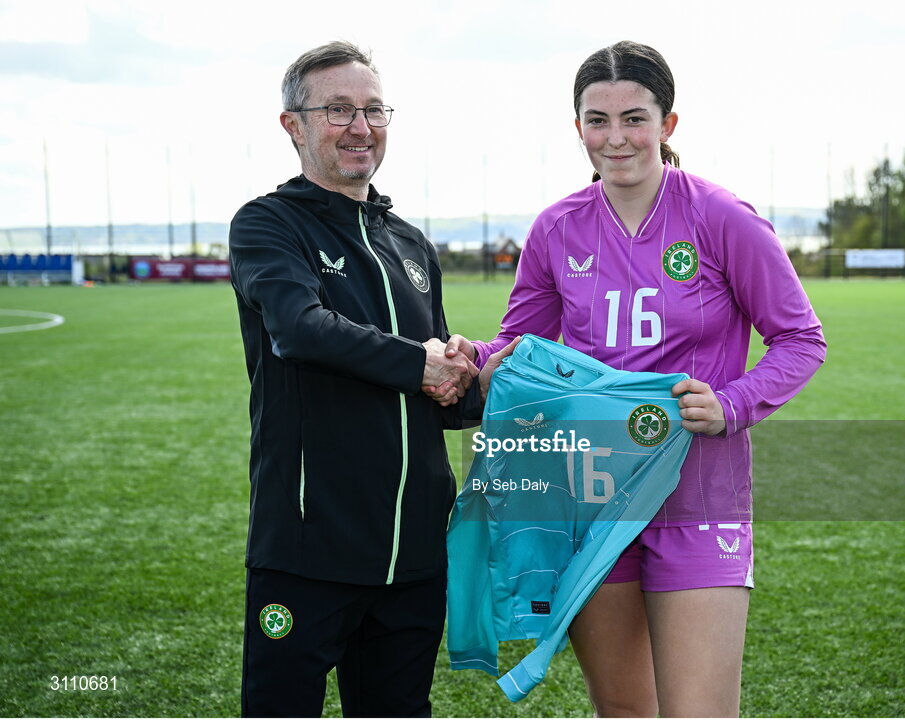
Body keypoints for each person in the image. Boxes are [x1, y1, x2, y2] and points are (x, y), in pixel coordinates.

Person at [433, 41, 826, 716]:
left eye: (635, 118)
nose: (616, 138)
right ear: (578, 127)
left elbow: (800, 340)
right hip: (591, 493)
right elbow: (521, 343)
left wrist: (731, 402)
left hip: (699, 493)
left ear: (668, 124)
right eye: (597, 120)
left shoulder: (723, 217)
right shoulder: (557, 228)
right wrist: (477, 356)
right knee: (625, 713)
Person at [229, 40, 505, 718]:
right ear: (293, 125)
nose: (361, 127)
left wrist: (483, 381)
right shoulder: (269, 224)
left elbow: (439, 399)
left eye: (374, 109)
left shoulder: (410, 244)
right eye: (339, 110)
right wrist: (423, 363)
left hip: (414, 555)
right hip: (308, 548)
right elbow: (300, 328)